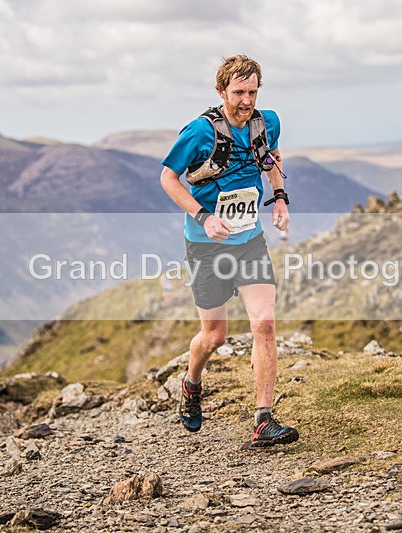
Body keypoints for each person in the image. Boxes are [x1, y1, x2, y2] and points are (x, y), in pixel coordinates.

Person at [159, 54, 298, 447]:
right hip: (207, 244)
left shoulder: (266, 122)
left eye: (252, 91)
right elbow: (168, 178)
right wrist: (204, 217)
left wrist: (281, 197)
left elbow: (270, 156)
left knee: (265, 322)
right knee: (215, 336)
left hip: (249, 239)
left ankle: (263, 420)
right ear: (222, 91)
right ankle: (192, 382)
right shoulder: (198, 132)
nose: (246, 100)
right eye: (238, 92)